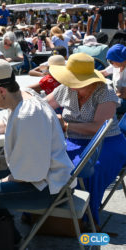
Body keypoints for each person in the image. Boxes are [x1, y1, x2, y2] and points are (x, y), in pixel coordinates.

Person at [0, 59, 75, 249]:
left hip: (48, 188)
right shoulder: (23, 97)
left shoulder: (27, 115)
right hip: (45, 179)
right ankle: (10, 237)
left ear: (1, 91)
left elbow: (30, 175)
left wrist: (3, 181)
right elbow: (10, 123)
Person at [45, 52, 126, 225]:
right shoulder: (66, 88)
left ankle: (86, 217)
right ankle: (53, 213)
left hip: (106, 143)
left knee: (90, 171)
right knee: (49, 161)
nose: (69, 83)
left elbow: (98, 128)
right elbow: (42, 106)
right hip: (74, 140)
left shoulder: (105, 92)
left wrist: (65, 126)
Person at [101, 44, 126, 114]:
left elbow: (123, 94)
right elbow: (102, 73)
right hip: (117, 96)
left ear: (118, 59)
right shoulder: (116, 65)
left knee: (101, 105)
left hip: (123, 100)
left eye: (111, 61)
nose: (110, 63)